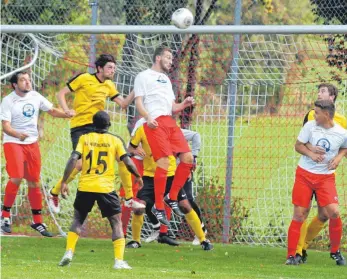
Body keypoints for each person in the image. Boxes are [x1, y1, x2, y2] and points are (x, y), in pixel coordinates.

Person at [47, 54, 142, 213]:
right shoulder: (84, 78)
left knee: (121, 155)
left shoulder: (109, 85)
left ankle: (129, 199)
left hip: (98, 128)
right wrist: (66, 109)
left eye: (114, 68)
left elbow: (124, 104)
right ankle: (53, 193)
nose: (113, 71)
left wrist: (137, 88)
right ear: (99, 68)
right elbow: (61, 93)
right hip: (80, 127)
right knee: (80, 163)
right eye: (110, 67)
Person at [58, 111, 143, 269]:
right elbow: (127, 162)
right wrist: (137, 175)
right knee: (116, 223)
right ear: (109, 124)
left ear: (93, 124)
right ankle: (118, 261)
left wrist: (64, 181)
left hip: (85, 186)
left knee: (77, 219)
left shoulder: (84, 138)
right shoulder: (115, 139)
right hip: (105, 188)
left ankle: (69, 251)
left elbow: (73, 159)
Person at [124, 118, 212, 250]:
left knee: (185, 206)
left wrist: (187, 166)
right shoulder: (142, 128)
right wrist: (135, 150)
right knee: (139, 208)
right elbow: (130, 147)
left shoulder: (171, 128)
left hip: (170, 176)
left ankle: (203, 240)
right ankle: (136, 240)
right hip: (150, 178)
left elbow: (183, 149)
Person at [0, 71, 71, 236]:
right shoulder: (8, 101)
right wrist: (18, 134)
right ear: (15, 85)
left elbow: (52, 110)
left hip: (31, 143)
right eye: (23, 80)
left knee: (34, 181)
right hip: (13, 142)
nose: (27, 82)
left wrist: (66, 114)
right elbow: (6, 126)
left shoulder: (35, 96)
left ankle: (37, 222)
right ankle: (4, 217)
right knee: (16, 177)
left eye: (28, 79)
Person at [134, 45, 195, 225]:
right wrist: (147, 117)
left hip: (169, 121)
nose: (170, 61)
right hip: (154, 123)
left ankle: (171, 196)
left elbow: (172, 107)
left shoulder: (166, 80)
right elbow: (139, 102)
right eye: (168, 58)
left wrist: (184, 104)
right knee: (164, 162)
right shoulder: (143, 76)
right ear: (158, 58)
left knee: (188, 158)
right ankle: (159, 207)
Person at [286, 99, 347, 266]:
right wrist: (311, 153)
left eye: (317, 112)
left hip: (326, 178)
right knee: (299, 214)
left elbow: (345, 147)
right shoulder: (310, 126)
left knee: (334, 213)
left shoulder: (341, 133)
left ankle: (335, 252)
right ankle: (291, 255)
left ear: (326, 114)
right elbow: (298, 146)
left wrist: (338, 158)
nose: (314, 115)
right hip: (304, 176)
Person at [144, 128, 207, 244]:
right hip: (164, 173)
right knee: (149, 201)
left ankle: (202, 231)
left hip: (181, 171)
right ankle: (159, 230)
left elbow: (196, 135)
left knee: (187, 201)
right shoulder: (148, 130)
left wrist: (193, 157)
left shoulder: (175, 131)